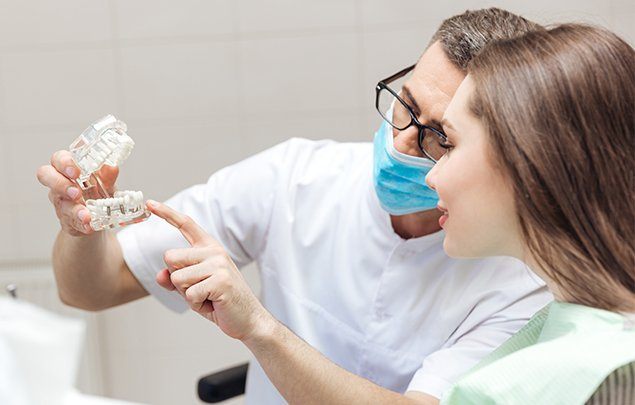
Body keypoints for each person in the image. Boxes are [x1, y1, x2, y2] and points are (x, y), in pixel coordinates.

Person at [36, 9, 551, 404]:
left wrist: (259, 328)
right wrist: (81, 226)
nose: (401, 144)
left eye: (439, 136)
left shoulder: (521, 280)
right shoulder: (297, 178)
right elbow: (90, 289)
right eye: (406, 106)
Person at [146, 23, 635, 405]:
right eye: (406, 108)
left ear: (529, 164)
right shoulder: (567, 323)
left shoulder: (594, 369)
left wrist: (260, 327)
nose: (430, 175)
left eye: (448, 143)